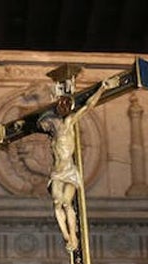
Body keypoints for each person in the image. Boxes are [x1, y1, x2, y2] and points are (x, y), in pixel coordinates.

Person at [39, 76, 119, 253]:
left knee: (67, 203)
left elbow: (88, 106)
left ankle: (73, 237)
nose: (46, 126)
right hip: (56, 172)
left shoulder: (68, 124)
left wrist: (102, 88)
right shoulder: (52, 135)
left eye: (47, 123)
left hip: (68, 170)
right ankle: (67, 236)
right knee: (57, 202)